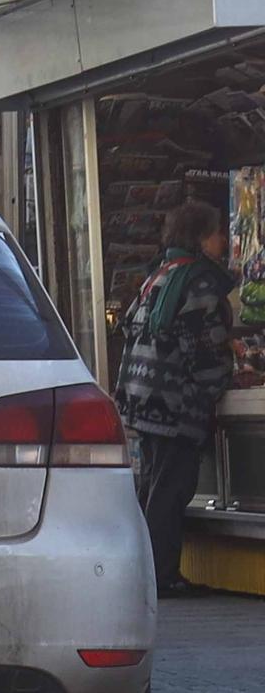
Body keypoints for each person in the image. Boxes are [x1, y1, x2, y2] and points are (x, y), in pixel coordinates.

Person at [116, 198, 234, 599]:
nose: (224, 239)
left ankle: (148, 572)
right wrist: (221, 381)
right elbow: (205, 348)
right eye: (219, 232)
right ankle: (160, 575)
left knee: (152, 486)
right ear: (202, 237)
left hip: (144, 398)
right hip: (173, 403)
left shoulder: (161, 274)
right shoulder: (199, 281)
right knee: (171, 488)